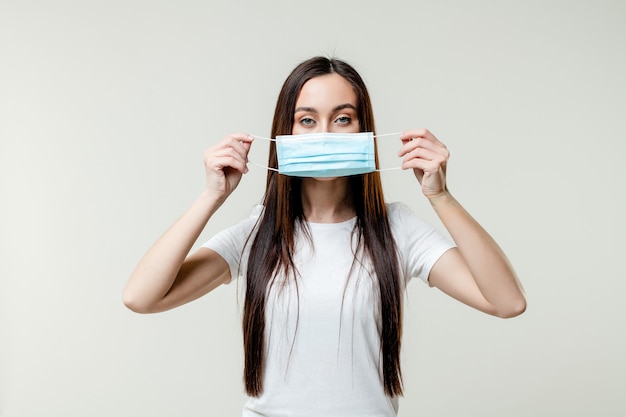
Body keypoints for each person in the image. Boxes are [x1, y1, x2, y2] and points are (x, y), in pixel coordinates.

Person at [122, 56, 526, 417]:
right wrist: (212, 196)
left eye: (343, 118)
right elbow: (142, 296)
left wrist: (440, 196)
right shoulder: (258, 234)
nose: (324, 134)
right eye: (307, 120)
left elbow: (507, 302)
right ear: (286, 133)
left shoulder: (396, 231)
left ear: (365, 130)